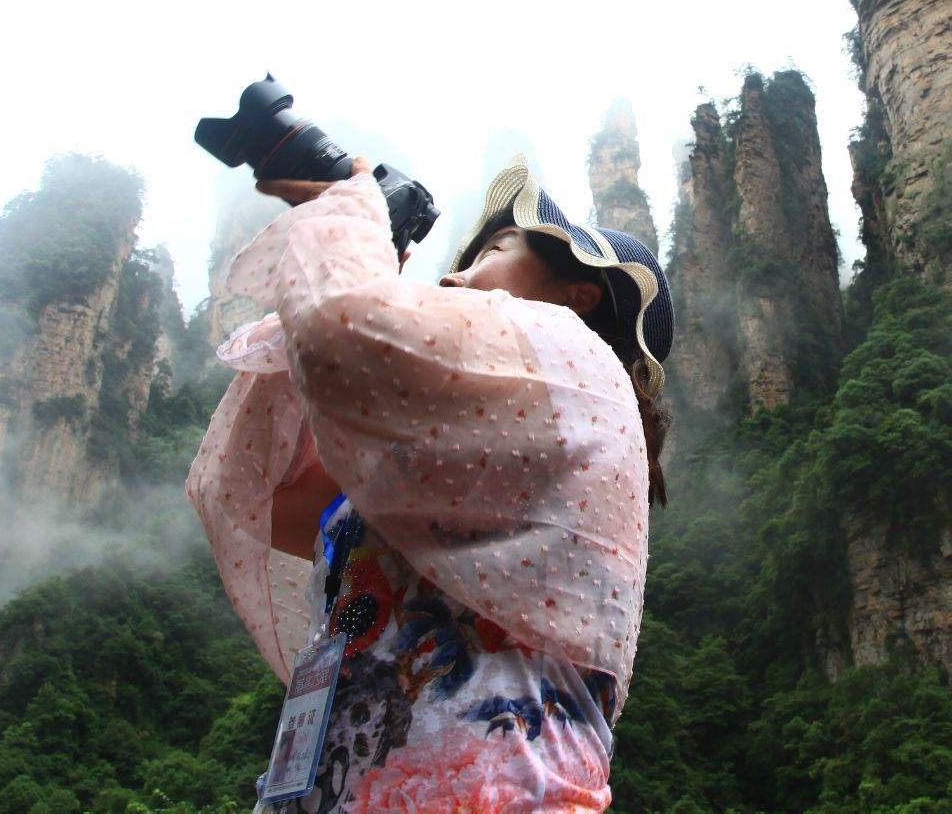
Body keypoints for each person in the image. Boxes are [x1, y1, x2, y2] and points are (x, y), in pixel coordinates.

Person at [187, 153, 673, 813]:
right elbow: (252, 490)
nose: (452, 275)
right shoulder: (446, 462)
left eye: (492, 251)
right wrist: (347, 277)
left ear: (577, 294)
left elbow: (338, 338)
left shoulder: (580, 357)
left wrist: (354, 216)